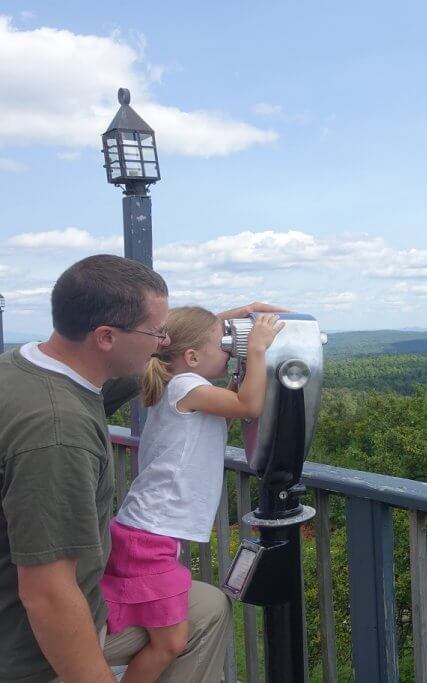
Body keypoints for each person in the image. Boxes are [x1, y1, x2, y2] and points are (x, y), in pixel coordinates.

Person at [0, 254, 280, 683]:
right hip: (28, 648)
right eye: (156, 332)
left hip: (73, 594)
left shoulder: (29, 371)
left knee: (205, 604)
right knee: (189, 627)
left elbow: (165, 359)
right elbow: (48, 596)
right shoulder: (57, 431)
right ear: (106, 337)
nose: (161, 341)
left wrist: (215, 326)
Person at [101, 307, 282, 683]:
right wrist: (258, 351)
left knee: (159, 630)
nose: (232, 350)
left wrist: (240, 321)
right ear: (193, 357)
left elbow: (229, 410)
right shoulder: (185, 386)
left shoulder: (180, 384)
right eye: (225, 344)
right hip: (148, 536)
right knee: (170, 642)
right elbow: (249, 406)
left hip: (147, 532)